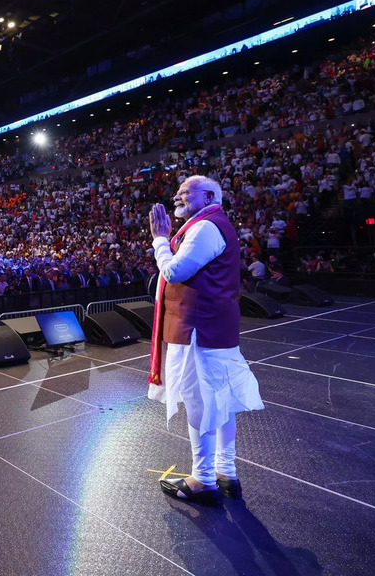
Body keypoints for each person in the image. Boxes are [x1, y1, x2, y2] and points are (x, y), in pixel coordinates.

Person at [147, 175, 263, 505]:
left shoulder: (206, 227)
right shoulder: (210, 224)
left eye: (186, 193)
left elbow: (174, 272)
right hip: (213, 328)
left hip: (198, 329)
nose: (176, 197)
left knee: (200, 404)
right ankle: (225, 473)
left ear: (209, 195)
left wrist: (160, 241)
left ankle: (202, 480)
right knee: (221, 403)